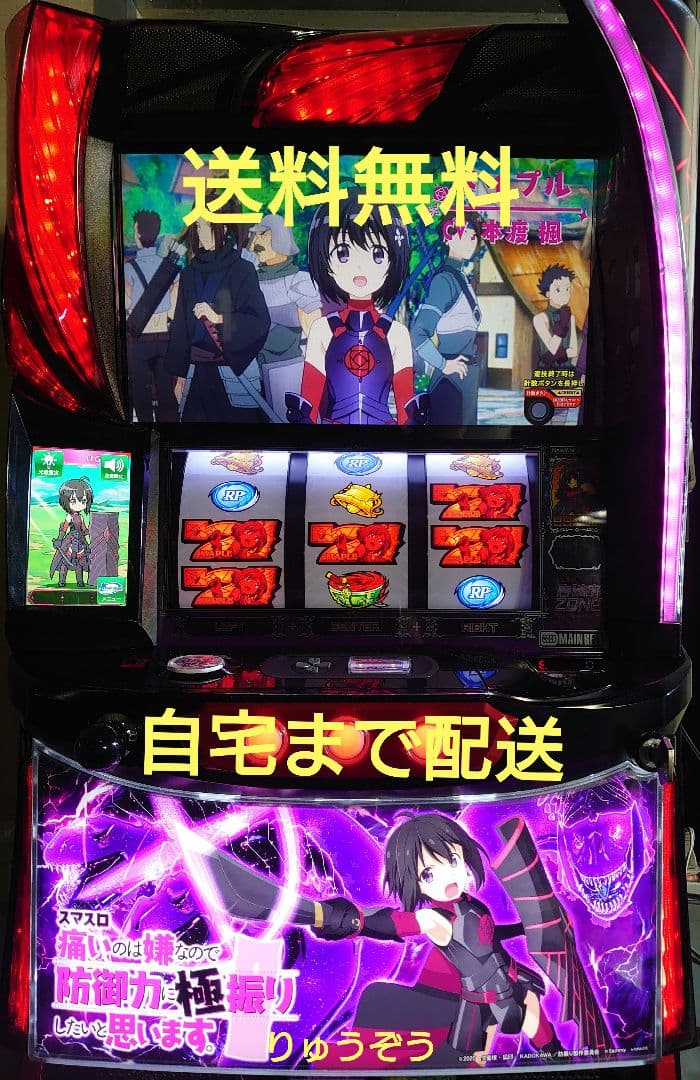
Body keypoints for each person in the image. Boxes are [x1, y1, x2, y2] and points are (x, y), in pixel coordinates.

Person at [289, 192, 417, 425]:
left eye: (377, 254)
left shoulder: (396, 333)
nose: (360, 267)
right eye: (343, 253)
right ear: (325, 262)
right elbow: (309, 401)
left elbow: (405, 407)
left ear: (393, 260)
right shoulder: (323, 330)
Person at [165, 212, 270, 422]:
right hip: (195, 373)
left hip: (231, 371)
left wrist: (219, 318)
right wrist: (179, 375)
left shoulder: (242, 269)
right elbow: (181, 328)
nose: (201, 233)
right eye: (198, 226)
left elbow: (259, 321)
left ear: (223, 227)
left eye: (207, 226)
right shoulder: (189, 273)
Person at [410, 212, 484, 425]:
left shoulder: (460, 277)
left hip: (465, 378)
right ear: (447, 237)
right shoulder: (444, 280)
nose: (470, 240)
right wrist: (444, 364)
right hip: (450, 380)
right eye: (463, 233)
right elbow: (418, 332)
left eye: (473, 235)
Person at [247, 214, 322, 412]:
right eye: (256, 236)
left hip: (287, 371)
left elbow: (316, 331)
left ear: (280, 237)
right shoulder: (249, 281)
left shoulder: (298, 280)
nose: (257, 242)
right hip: (250, 374)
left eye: (264, 235)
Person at [124, 210, 179, 422]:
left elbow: (126, 304)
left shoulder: (128, 269)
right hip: (164, 336)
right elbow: (174, 308)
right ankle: (171, 435)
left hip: (139, 339)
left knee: (141, 393)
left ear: (138, 233)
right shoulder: (170, 268)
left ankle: (145, 436)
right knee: (166, 391)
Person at [49, 477, 93, 587]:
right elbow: (64, 529)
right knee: (64, 562)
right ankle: (62, 580)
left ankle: (80, 581)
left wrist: (91, 531)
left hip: (80, 540)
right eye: (73, 501)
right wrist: (59, 539)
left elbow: (84, 529)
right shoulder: (69, 516)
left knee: (80, 562)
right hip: (71, 539)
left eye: (83, 501)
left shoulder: (81, 517)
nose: (79, 504)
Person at [532, 264, 578, 369]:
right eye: (558, 290)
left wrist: (559, 354)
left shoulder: (570, 317)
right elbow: (552, 348)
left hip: (566, 370)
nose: (564, 294)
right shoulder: (540, 319)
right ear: (548, 293)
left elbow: (574, 351)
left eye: (567, 289)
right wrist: (562, 324)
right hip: (545, 372)